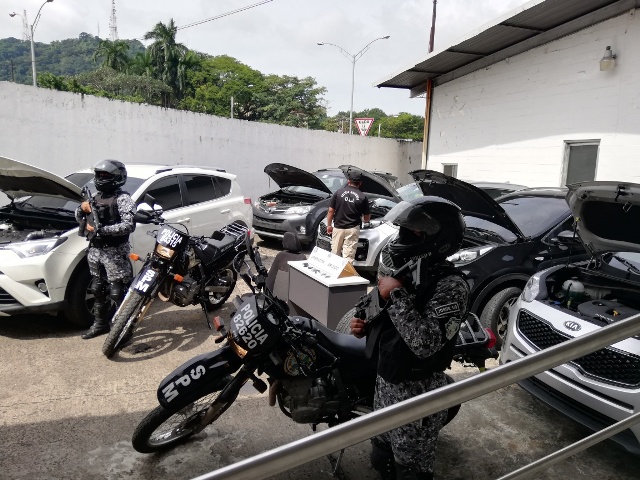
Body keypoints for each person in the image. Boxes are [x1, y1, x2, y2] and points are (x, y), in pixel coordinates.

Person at [350, 196, 469, 480]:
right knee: (381, 456)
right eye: (404, 230)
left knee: (410, 470)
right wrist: (363, 323)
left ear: (438, 240)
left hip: (418, 392)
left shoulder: (451, 285)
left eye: (414, 233)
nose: (404, 238)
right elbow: (379, 312)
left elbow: (425, 344)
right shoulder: (409, 271)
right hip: (386, 381)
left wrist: (395, 294)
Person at [75, 160, 136, 339]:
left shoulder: (123, 199)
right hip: (95, 251)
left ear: (117, 178)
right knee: (97, 289)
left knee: (118, 292)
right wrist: (81, 209)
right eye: (99, 175)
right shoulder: (95, 197)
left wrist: (102, 230)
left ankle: (123, 328)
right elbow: (79, 216)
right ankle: (100, 324)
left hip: (115, 252)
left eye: (106, 176)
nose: (101, 178)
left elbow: (128, 225)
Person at [325, 169, 370, 263]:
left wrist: (329, 225)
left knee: (334, 254)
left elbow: (330, 211)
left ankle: (333, 270)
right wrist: (365, 220)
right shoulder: (362, 197)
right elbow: (366, 218)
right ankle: (345, 272)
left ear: (348, 181)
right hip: (352, 229)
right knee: (348, 257)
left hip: (338, 227)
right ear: (360, 183)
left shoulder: (338, 192)